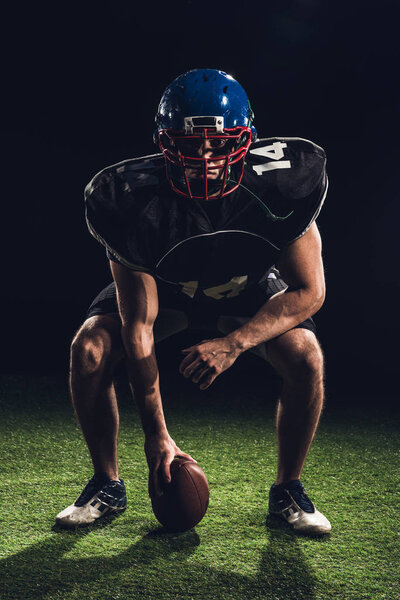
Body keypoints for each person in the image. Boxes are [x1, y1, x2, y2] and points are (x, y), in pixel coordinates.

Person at [56, 68, 331, 534]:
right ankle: (107, 482)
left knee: (306, 357)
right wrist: (156, 436)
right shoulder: (126, 199)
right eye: (188, 145)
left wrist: (234, 343)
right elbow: (139, 327)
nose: (205, 158)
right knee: (89, 350)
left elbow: (309, 291)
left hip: (242, 287)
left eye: (220, 144)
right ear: (165, 144)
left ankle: (289, 489)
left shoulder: (282, 185)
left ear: (246, 140)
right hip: (167, 290)